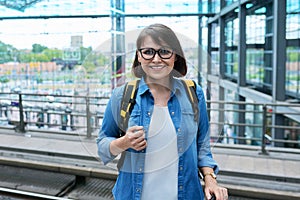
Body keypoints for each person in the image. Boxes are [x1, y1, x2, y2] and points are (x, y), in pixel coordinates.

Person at [97, 23, 228, 200]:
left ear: (175, 56)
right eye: (148, 52)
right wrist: (124, 142)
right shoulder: (122, 96)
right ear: (139, 56)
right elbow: (103, 146)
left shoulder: (193, 93)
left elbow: (202, 146)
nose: (156, 59)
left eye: (165, 51)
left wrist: (210, 179)